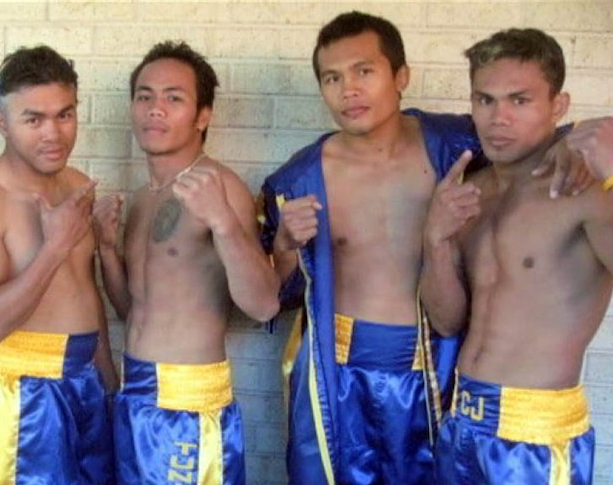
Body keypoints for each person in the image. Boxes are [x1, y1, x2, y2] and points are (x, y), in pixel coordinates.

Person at [259, 11, 610, 485]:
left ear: (401, 76)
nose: (350, 90)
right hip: (367, 384)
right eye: (332, 78)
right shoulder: (300, 179)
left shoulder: (458, 148)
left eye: (364, 71)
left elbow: (540, 140)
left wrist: (603, 137)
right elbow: (268, 297)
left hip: (452, 386)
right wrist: (284, 246)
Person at [421, 28, 613, 484]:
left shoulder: (585, 191)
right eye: (485, 100)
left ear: (558, 106)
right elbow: (448, 322)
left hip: (537, 435)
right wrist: (436, 241)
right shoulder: (469, 194)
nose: (498, 118)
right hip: (462, 419)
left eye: (519, 101)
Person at [93, 40, 280, 484]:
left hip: (189, 399)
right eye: (145, 96)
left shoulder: (219, 187)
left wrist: (224, 222)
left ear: (203, 115)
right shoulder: (143, 198)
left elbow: (264, 304)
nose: (155, 109)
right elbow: (133, 311)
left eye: (173, 98)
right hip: (136, 388)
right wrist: (105, 250)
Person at [0, 46, 117, 484]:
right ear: (0, 123)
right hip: (23, 390)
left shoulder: (78, 185)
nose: (53, 133)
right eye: (33, 119)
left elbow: (85, 286)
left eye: (64, 114)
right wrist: (55, 246)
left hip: (86, 380)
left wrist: (107, 372)